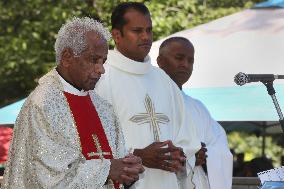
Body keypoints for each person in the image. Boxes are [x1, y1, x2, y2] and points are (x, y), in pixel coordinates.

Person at [2, 17, 144, 189]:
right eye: (94, 60)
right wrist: (106, 170)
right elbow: (46, 177)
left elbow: (116, 161)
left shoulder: (102, 107)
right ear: (67, 58)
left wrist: (127, 170)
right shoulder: (42, 104)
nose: (101, 69)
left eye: (103, 61)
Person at [94, 2, 200, 189]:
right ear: (117, 35)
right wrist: (138, 155)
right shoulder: (101, 77)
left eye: (149, 30)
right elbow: (92, 143)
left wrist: (179, 156)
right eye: (137, 30)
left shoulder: (163, 80)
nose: (146, 37)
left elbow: (187, 137)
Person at [157, 37, 233, 189]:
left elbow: (220, 146)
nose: (185, 65)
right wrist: (188, 154)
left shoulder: (198, 107)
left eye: (190, 61)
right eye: (179, 58)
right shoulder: (148, 99)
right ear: (160, 61)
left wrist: (205, 155)